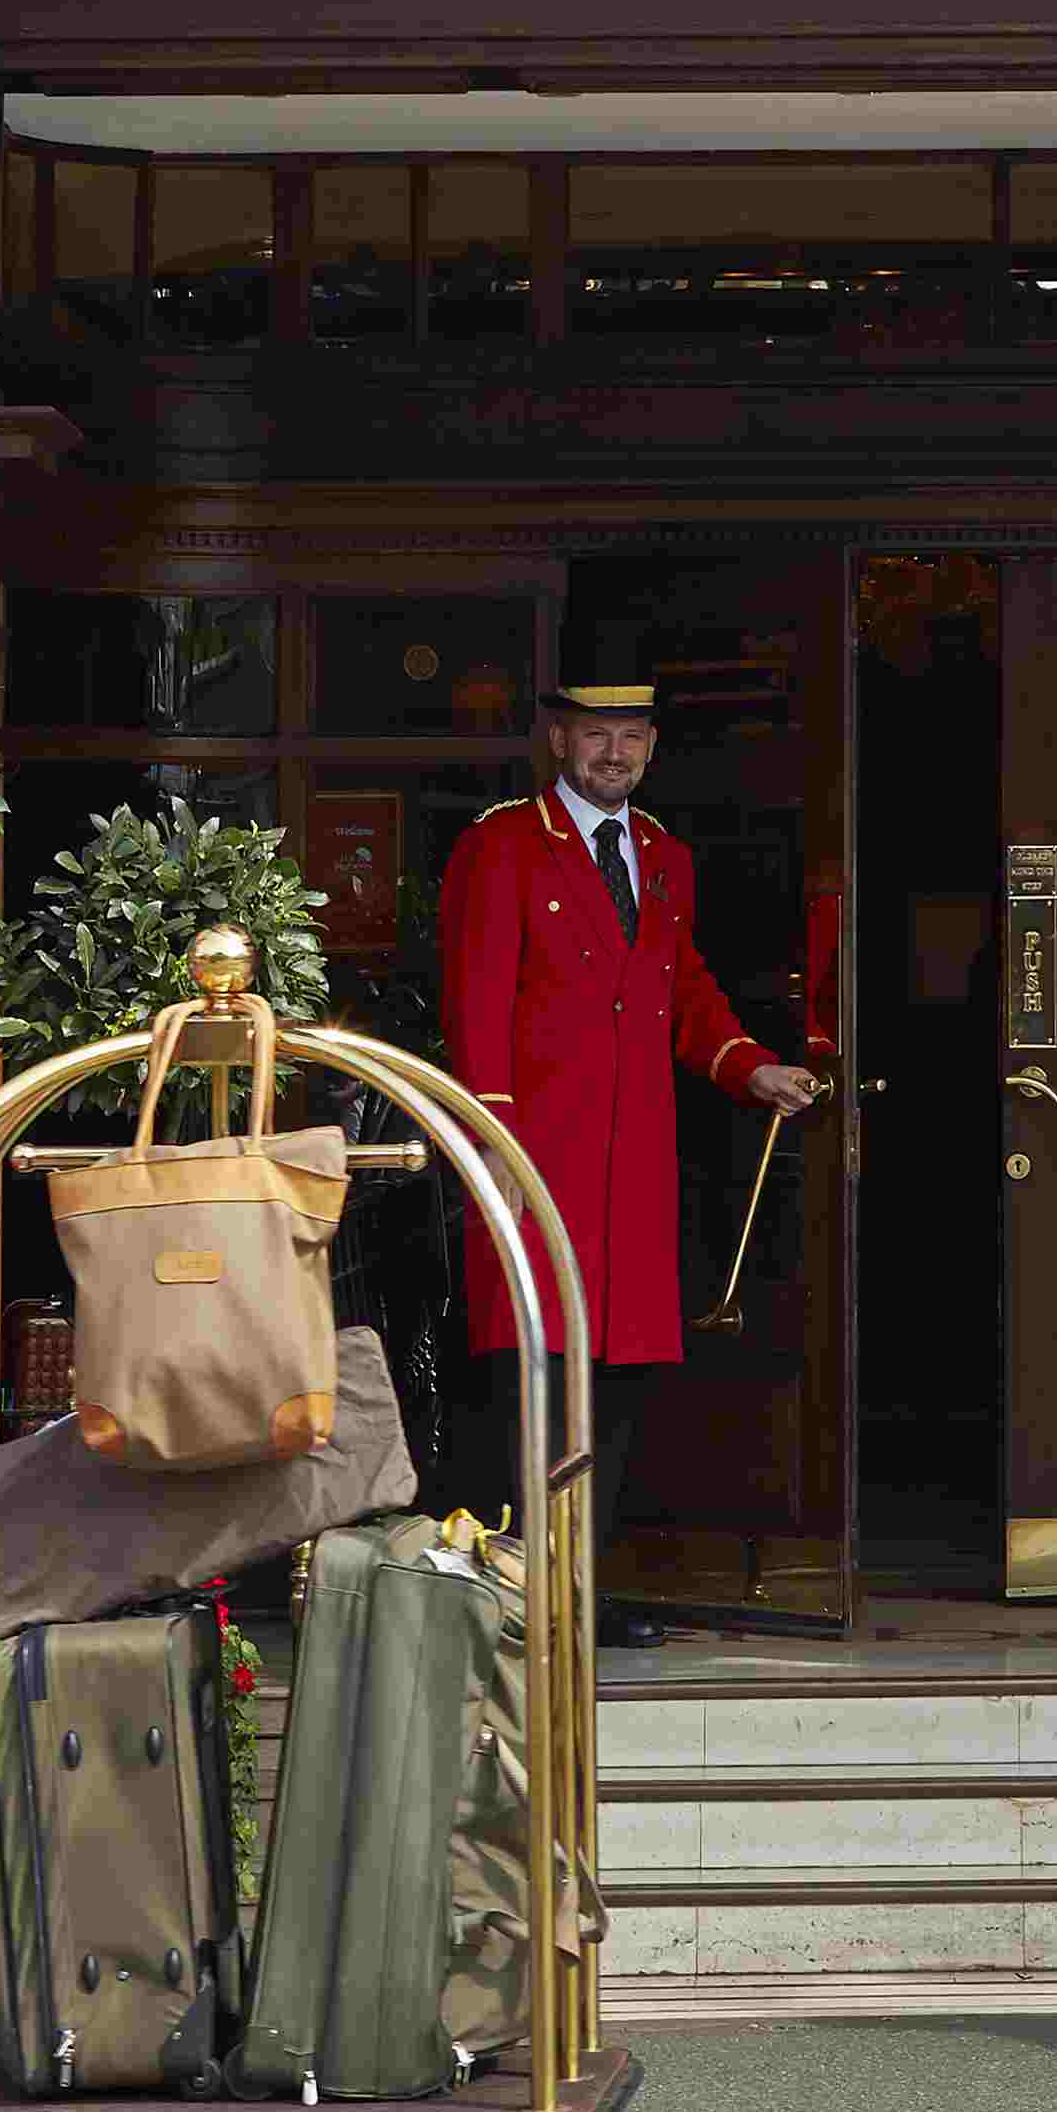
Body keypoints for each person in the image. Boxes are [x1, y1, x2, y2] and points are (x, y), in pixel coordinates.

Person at [439, 641, 819, 1648]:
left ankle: (582, 1601)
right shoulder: (504, 847)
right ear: (559, 738)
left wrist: (748, 1066)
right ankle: (510, 1601)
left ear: (651, 746)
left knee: (613, 1387)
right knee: (530, 1376)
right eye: (595, 733)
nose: (614, 751)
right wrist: (494, 1153)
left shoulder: (660, 854)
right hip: (538, 1164)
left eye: (632, 736)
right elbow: (476, 1009)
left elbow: (682, 993)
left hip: (634, 1172)